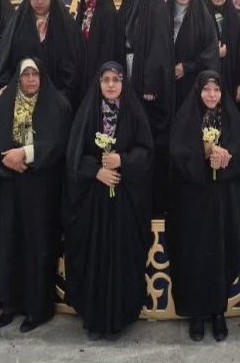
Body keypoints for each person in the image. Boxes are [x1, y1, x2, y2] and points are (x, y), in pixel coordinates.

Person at [0, 58, 71, 332]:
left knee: (37, 246)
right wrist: (9, 158)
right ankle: (10, 304)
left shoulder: (57, 104)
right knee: (9, 244)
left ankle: (36, 309)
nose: (30, 79)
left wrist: (27, 154)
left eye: (34, 74)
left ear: (42, 77)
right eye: (25, 74)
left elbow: (60, 142)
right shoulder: (5, 102)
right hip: (9, 185)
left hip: (41, 188)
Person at [64, 62, 153, 339]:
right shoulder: (88, 112)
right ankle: (95, 316)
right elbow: (74, 153)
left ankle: (120, 316)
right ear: (99, 83)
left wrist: (122, 160)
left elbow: (146, 151)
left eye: (116, 79)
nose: (111, 85)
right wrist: (96, 171)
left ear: (123, 83)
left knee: (122, 255)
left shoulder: (133, 111)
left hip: (124, 199)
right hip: (94, 200)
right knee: (95, 256)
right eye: (106, 80)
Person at [166, 70, 240, 342]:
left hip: (223, 202)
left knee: (220, 255)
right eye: (207, 89)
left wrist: (226, 158)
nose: (212, 94)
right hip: (193, 202)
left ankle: (218, 312)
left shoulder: (230, 115)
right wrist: (203, 153)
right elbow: (177, 152)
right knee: (195, 256)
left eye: (216, 89)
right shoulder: (187, 115)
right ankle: (196, 314)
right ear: (198, 91)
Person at [115, 0, 174, 215]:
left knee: (146, 128)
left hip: (147, 77)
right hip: (128, 70)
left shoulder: (156, 9)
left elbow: (159, 49)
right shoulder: (128, 5)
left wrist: (151, 83)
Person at [0, 0, 84, 106]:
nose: (40, 1)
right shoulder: (17, 27)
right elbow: (5, 61)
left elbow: (73, 66)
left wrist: (61, 97)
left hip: (57, 101)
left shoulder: (67, 28)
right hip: (22, 99)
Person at [167, 0, 219, 109]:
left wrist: (187, 67)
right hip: (165, 80)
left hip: (192, 81)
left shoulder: (203, 18)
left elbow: (211, 51)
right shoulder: (163, 14)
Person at [203, 0, 240, 102]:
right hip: (205, 77)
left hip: (229, 78)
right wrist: (215, 53)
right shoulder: (200, 17)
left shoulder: (234, 19)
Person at [76, 0, 117, 92]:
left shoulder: (108, 12)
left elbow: (109, 50)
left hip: (100, 74)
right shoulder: (83, 9)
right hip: (82, 71)